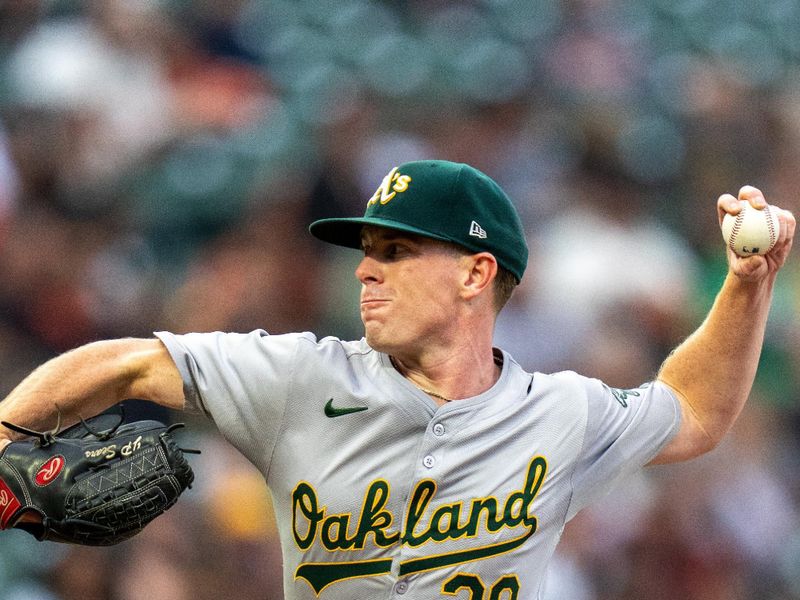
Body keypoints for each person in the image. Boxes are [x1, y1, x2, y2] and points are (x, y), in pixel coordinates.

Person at [0, 160, 795, 599]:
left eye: (397, 253)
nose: (366, 273)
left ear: (476, 274)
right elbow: (127, 362)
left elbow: (693, 410)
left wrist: (745, 285)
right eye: (367, 252)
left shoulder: (562, 412)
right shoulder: (300, 376)